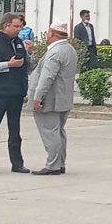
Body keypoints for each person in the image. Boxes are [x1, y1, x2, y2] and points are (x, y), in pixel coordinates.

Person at [0, 13, 33, 174]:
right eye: (16, 26)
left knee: (15, 130)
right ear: (6, 26)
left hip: (16, 92)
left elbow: (28, 67)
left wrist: (29, 54)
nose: (19, 30)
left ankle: (17, 163)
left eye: (20, 27)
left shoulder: (19, 43)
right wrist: (7, 65)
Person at [30, 20, 78, 176]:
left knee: (50, 132)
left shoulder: (55, 52)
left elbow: (47, 78)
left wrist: (37, 98)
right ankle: (60, 163)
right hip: (64, 98)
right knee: (59, 131)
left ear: (51, 33)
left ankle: (53, 165)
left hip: (50, 99)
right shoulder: (70, 49)